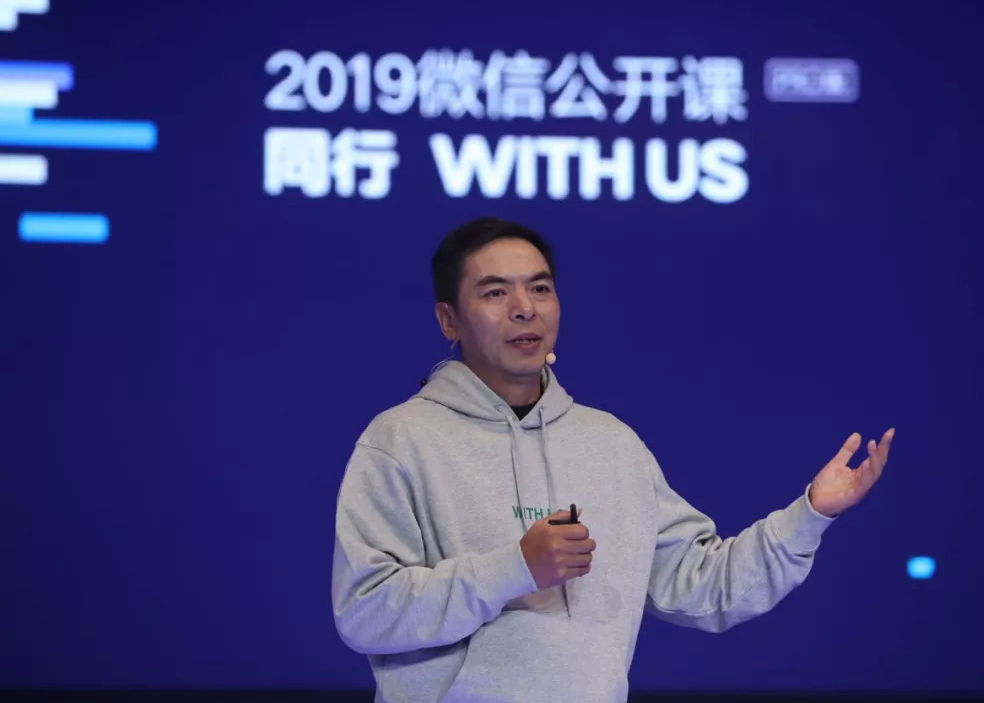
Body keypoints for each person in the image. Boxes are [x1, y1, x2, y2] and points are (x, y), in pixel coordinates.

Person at [330, 216, 895, 702]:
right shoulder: (400, 439)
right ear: (448, 320)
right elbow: (365, 612)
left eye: (540, 288)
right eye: (495, 293)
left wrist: (811, 514)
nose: (524, 309)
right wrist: (514, 569)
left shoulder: (611, 444)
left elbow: (704, 585)